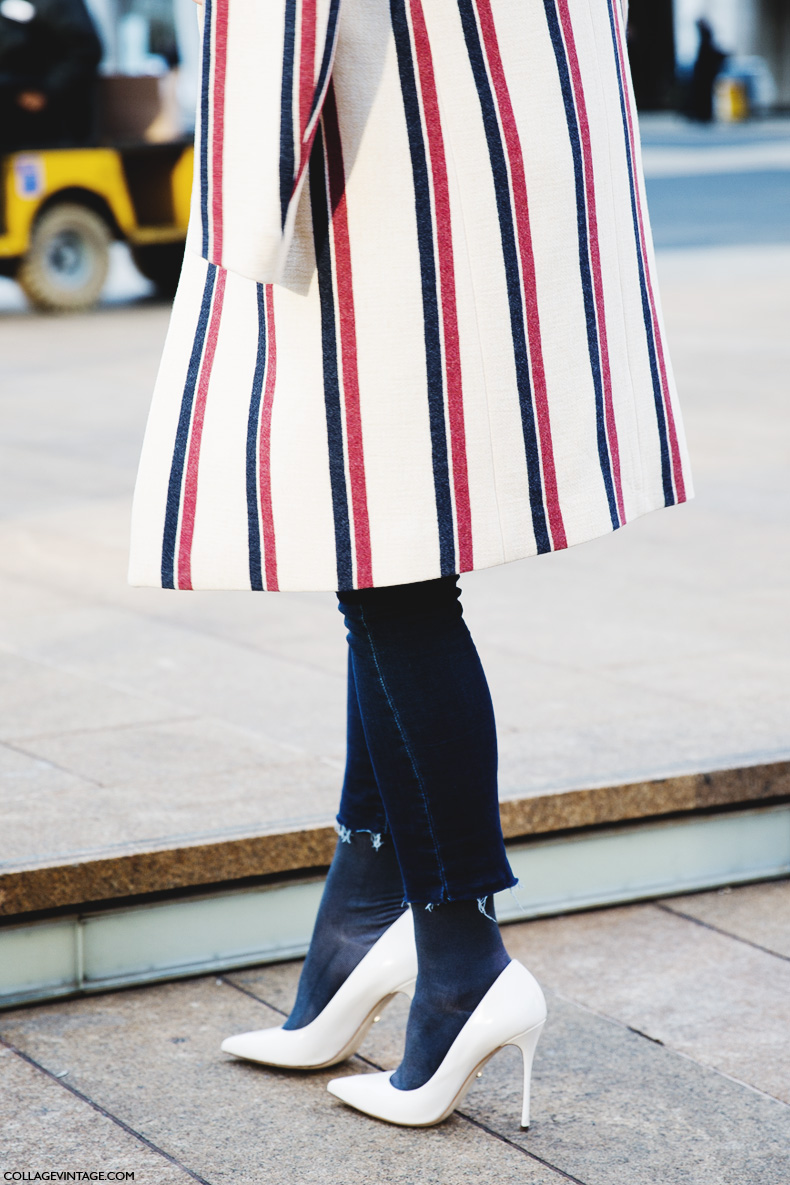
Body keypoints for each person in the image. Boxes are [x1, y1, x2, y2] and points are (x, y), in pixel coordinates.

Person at [129, 0, 692, 1128]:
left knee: (384, 561)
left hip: (369, 155)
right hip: (484, 130)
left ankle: (461, 954)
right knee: (382, 545)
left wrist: (240, 208)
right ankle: (361, 924)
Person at [0, 0, 102, 152]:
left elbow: (85, 49)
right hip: (11, 113)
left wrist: (46, 91)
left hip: (48, 124)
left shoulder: (54, 4)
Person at [688, 18, 727, 123]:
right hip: (705, 72)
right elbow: (712, 53)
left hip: (704, 72)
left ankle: (703, 114)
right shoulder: (706, 39)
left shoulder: (705, 40)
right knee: (704, 94)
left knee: (703, 93)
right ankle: (703, 115)